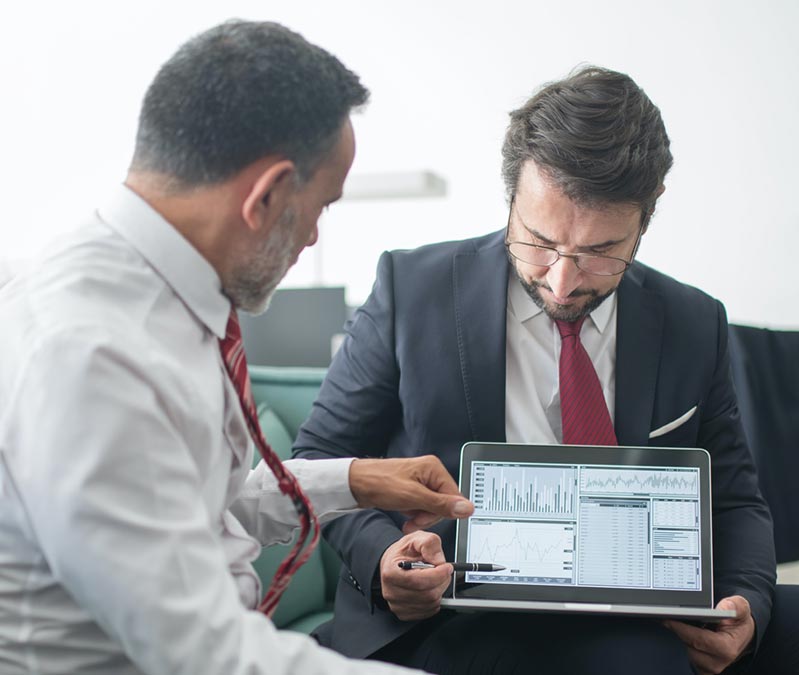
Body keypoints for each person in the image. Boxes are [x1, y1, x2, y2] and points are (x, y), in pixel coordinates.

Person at [294, 66, 799, 674]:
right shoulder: (412, 290)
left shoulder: (692, 321)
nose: (561, 280)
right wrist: (383, 558)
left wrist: (747, 605)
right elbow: (319, 455)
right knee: (639, 661)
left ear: (647, 215)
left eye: (600, 253)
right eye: (539, 241)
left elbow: (735, 499)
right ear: (512, 198)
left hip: (639, 602)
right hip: (456, 611)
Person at [0, 20, 474, 675]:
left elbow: (188, 509)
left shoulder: (155, 293)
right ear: (269, 194)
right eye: (321, 206)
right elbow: (203, 651)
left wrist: (356, 480)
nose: (311, 237)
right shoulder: (92, 353)